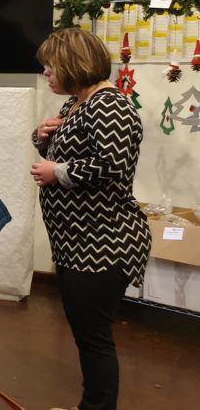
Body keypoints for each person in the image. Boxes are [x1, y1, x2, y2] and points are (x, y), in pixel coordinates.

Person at [30, 27, 150, 410]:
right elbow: (73, 149)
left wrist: (57, 172)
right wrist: (41, 136)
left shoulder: (110, 105)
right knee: (85, 335)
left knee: (94, 339)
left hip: (104, 246)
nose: (46, 74)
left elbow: (110, 166)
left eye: (50, 66)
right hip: (78, 245)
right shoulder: (76, 105)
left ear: (71, 64)